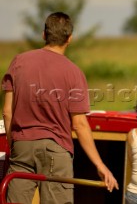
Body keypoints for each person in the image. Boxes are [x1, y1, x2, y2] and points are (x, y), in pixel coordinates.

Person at [1, 12, 118, 204]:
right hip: (56, 151)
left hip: (21, 146)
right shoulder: (74, 72)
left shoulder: (18, 61)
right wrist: (100, 165)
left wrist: (15, 145)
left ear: (44, 35)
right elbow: (79, 124)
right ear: (69, 39)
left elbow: (7, 111)